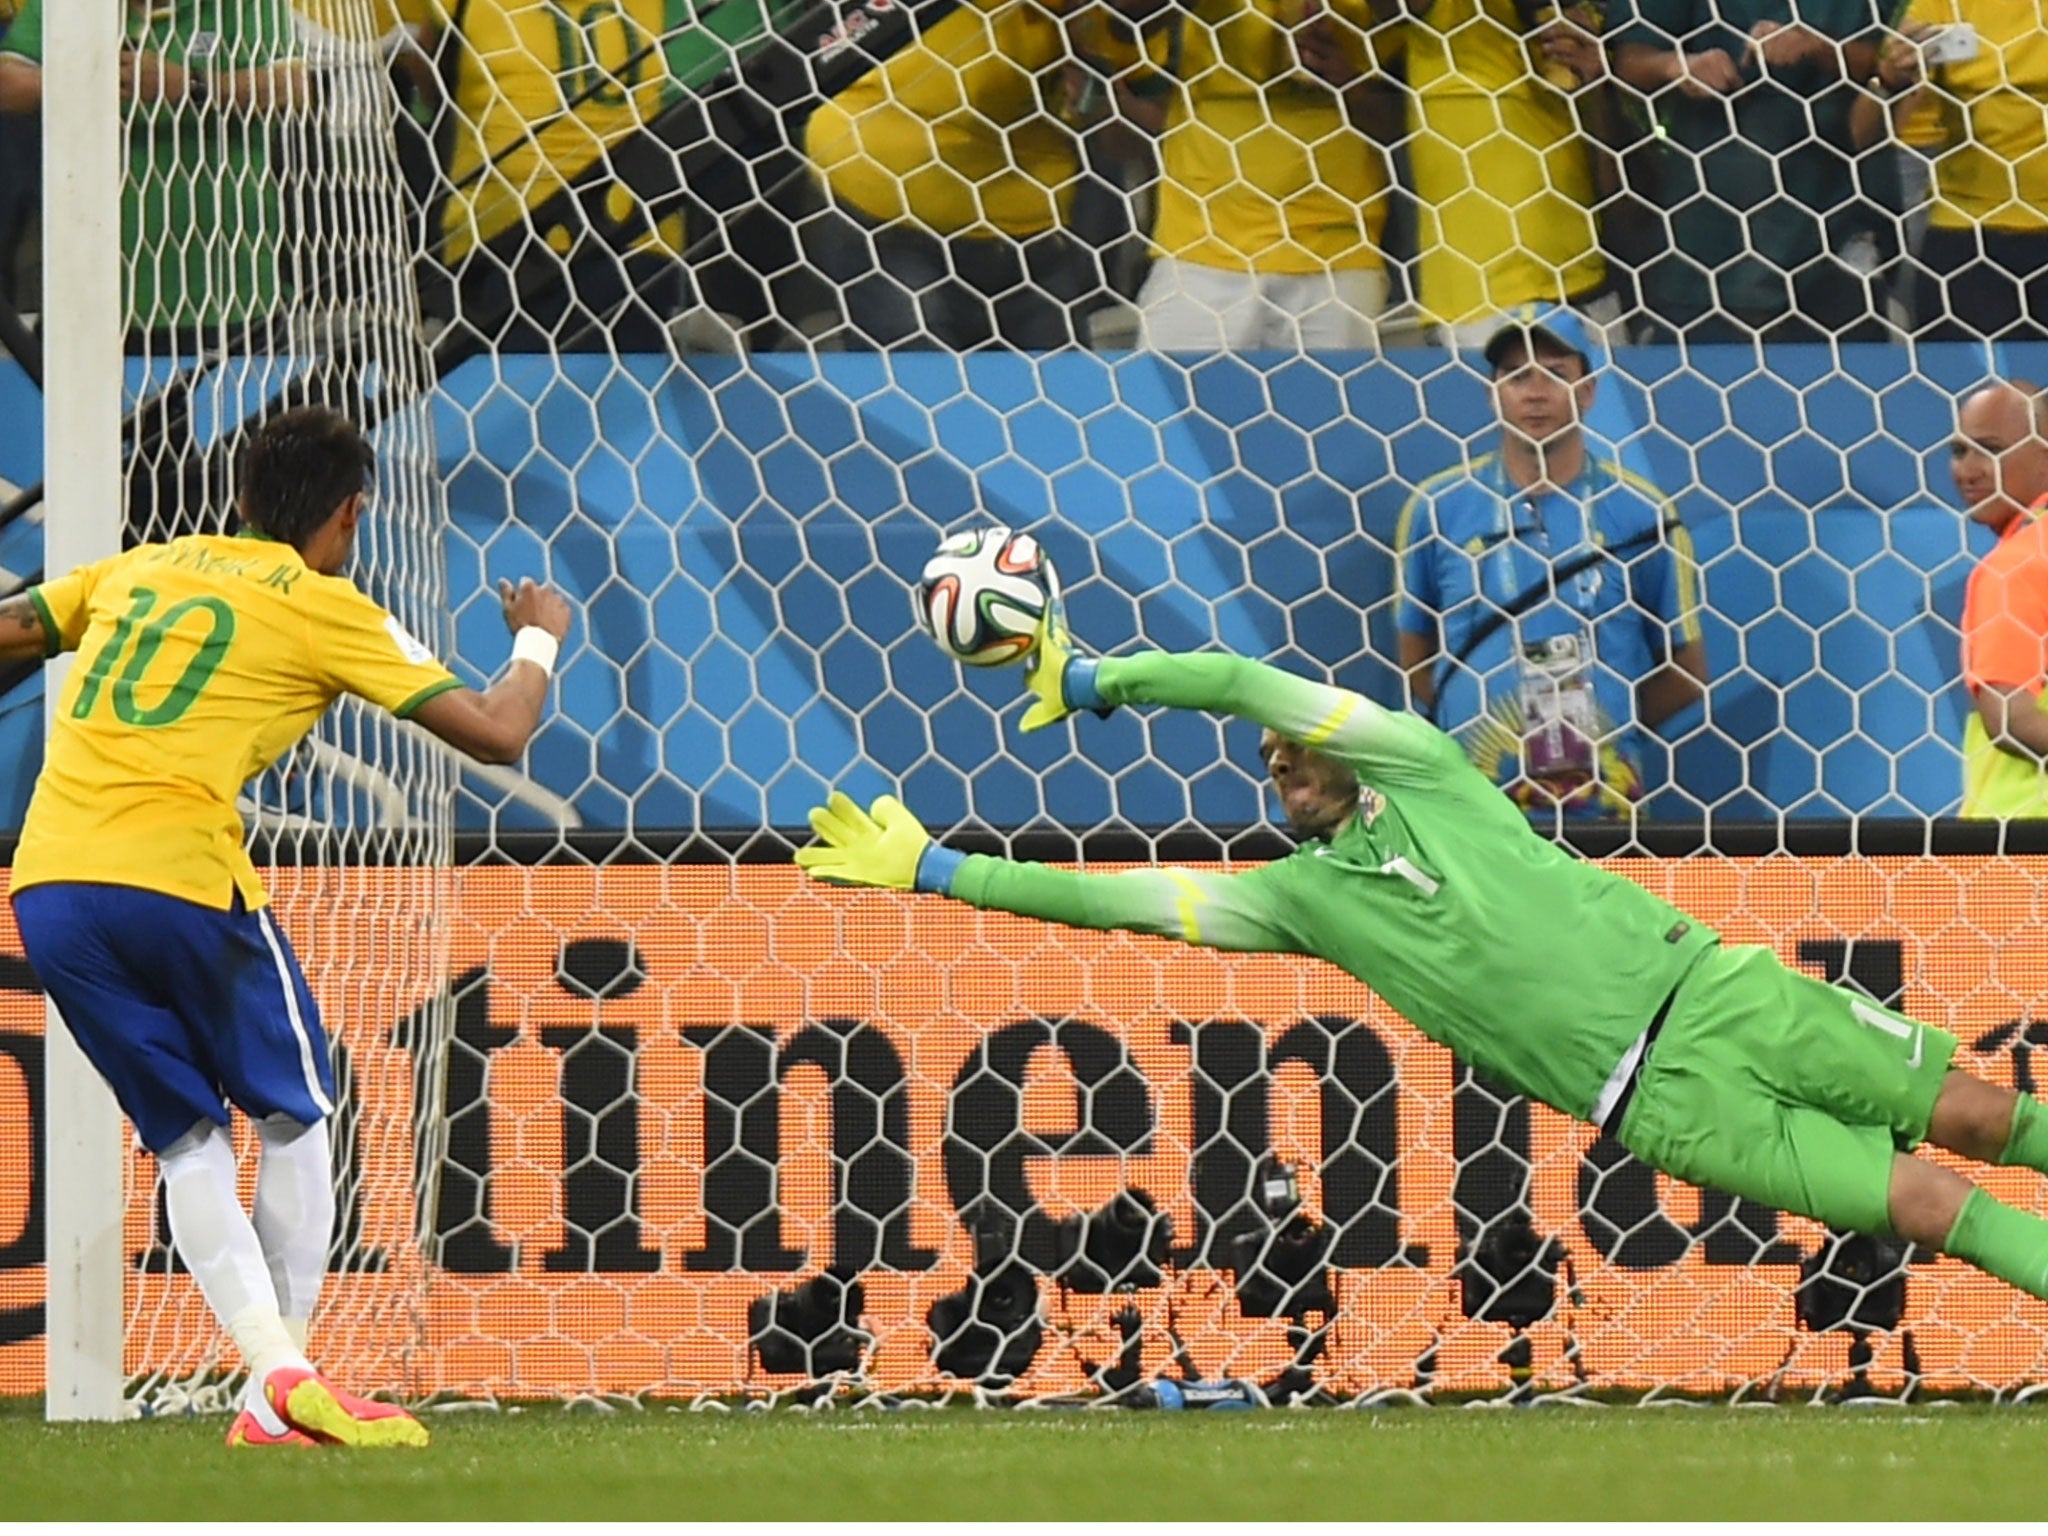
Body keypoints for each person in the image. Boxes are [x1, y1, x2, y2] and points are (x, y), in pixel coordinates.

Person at [794, 615, 2048, 1320]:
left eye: (1293, 751)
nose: (1279, 764)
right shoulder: (1296, 902)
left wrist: (1097, 679)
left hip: (1717, 992)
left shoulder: (1432, 772)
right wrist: (934, 869)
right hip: (1659, 1103)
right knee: (1925, 1206)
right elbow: (1112, 901)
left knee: (1979, 1115)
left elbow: (1235, 681)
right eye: (1268, 765)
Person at [0, 406, 573, 1447]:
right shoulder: (326, 605)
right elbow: (497, 732)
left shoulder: (143, 567)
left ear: (245, 500)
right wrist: (539, 631)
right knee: (297, 1115)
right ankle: (281, 1384)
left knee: (185, 1141)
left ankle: (272, 1374)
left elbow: (11, 630)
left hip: (48, 887)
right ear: (351, 514)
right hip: (177, 875)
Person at [1394, 304, 1707, 816]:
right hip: (1476, 803)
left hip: (1605, 803)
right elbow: (1415, 658)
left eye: (1555, 375)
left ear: (1588, 392)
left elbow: (1686, 670)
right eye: (1516, 376)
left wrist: (1605, 734)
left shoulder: (1643, 512)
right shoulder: (1437, 508)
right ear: (1494, 393)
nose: (1535, 393)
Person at [0, 0, 306, 348]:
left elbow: (292, 87)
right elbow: (7, 83)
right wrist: (85, 77)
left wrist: (191, 86)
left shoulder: (241, 7)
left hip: (228, 297)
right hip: (88, 305)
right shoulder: (67, 7)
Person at [800, 0, 1097, 351]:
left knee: (1064, 395)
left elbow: (1121, 104)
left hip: (1028, 225)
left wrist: (1090, 83)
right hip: (885, 206)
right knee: (919, 387)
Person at [1108, 0, 1399, 351]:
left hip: (1337, 257)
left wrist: (1349, 82)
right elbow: (1123, 18)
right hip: (1201, 251)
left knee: (1336, 405)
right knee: (1173, 402)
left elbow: (1404, 129)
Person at [1607, 0, 1891, 343]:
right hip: (1708, 242)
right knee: (1704, 388)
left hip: (1837, 235)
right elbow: (1629, 62)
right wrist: (1678, 65)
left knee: (1845, 389)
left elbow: (1899, 56)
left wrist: (1821, 46)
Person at [1399, 0, 1616, 347]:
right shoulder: (1452, 13)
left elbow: (1610, 170)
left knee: (1602, 400)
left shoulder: (1577, 20)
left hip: (1583, 278)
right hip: (1481, 296)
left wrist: (1597, 75)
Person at [1852, 6, 2048, 343]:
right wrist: (1888, 79)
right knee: (1977, 390)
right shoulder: (1942, 5)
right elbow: (1864, 134)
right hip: (1969, 235)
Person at [1952, 381, 2048, 818]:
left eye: (1988, 449)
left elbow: (2011, 720)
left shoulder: (2016, 566)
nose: (1966, 471)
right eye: (1959, 451)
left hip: (2021, 841)